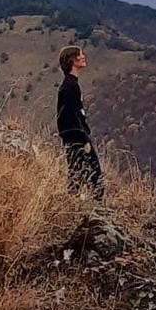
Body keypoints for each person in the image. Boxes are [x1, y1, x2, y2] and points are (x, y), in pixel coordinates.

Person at [56, 44, 104, 200]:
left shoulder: (70, 85)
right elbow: (69, 116)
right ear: (72, 60)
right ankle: (93, 214)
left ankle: (74, 209)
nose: (83, 56)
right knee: (94, 177)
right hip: (77, 138)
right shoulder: (71, 86)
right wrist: (83, 139)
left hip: (74, 137)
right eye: (80, 54)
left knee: (77, 176)